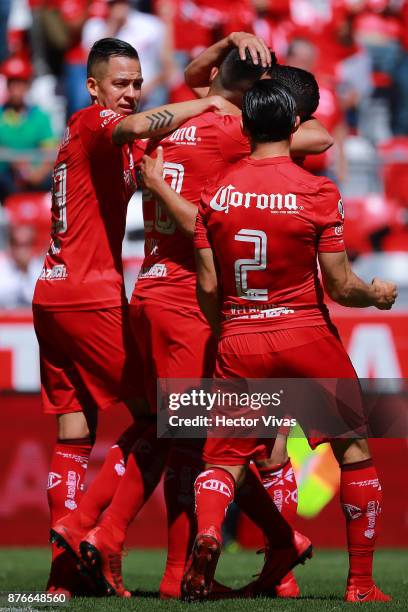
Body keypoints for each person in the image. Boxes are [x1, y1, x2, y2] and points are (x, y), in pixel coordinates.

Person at [32, 36, 229, 596]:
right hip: (89, 295)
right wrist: (208, 104)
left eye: (138, 83)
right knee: (166, 420)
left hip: (52, 296)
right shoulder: (94, 122)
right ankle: (91, 533)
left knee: (74, 434)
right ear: (93, 86)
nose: (132, 93)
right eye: (121, 83)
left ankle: (60, 580)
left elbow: (152, 145)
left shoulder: (116, 143)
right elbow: (134, 127)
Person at [186, 79, 397, 602]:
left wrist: (227, 327)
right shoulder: (318, 191)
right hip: (305, 332)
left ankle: (210, 533)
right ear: (296, 126)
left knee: (223, 461)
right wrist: (376, 294)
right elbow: (341, 285)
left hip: (240, 334)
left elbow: (208, 285)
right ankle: (361, 585)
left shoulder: (212, 193)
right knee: (354, 453)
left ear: (245, 126)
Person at [0, 56, 57, 201]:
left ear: (27, 86)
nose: (16, 89)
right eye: (12, 83)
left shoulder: (40, 117)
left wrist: (36, 174)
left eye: (20, 83)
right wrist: (14, 162)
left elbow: (50, 151)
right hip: (6, 179)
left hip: (37, 178)